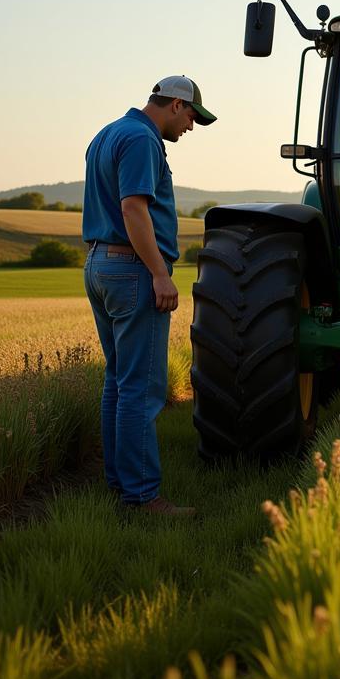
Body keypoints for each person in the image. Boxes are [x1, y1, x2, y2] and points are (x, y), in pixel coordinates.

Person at [82, 76, 217, 516]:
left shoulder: (106, 133)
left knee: (118, 382)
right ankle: (142, 497)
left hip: (100, 264)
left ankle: (119, 485)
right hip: (134, 270)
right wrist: (160, 273)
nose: (191, 129)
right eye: (192, 117)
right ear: (176, 104)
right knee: (141, 388)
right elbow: (133, 208)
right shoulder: (142, 139)